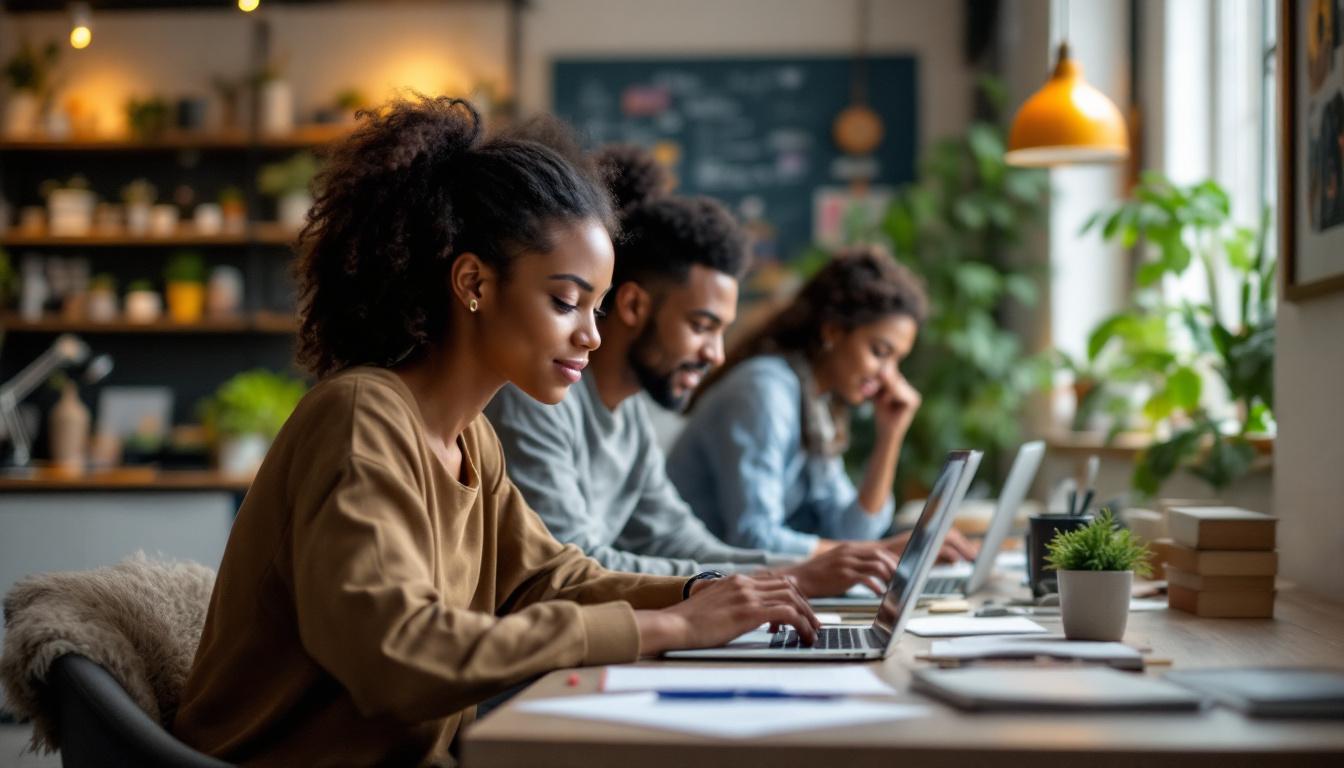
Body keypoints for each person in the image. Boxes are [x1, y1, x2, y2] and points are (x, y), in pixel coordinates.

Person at [172, 98, 818, 767]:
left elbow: (551, 577)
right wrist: (667, 626)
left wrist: (697, 593)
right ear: (473, 282)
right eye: (566, 302)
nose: (592, 336)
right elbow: (397, 654)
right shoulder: (362, 418)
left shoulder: (470, 438)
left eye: (596, 308)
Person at [483, 146, 898, 598]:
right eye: (701, 326)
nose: (716, 354)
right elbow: (573, 562)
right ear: (633, 305)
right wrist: (790, 578)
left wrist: (816, 566)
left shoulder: (630, 414)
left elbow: (681, 540)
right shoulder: (535, 396)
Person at [667, 247, 977, 560]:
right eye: (880, 352)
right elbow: (753, 537)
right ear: (833, 331)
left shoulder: (816, 403)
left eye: (897, 360)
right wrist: (879, 552)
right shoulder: (763, 391)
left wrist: (890, 435)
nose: (888, 377)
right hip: (695, 584)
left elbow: (850, 532)